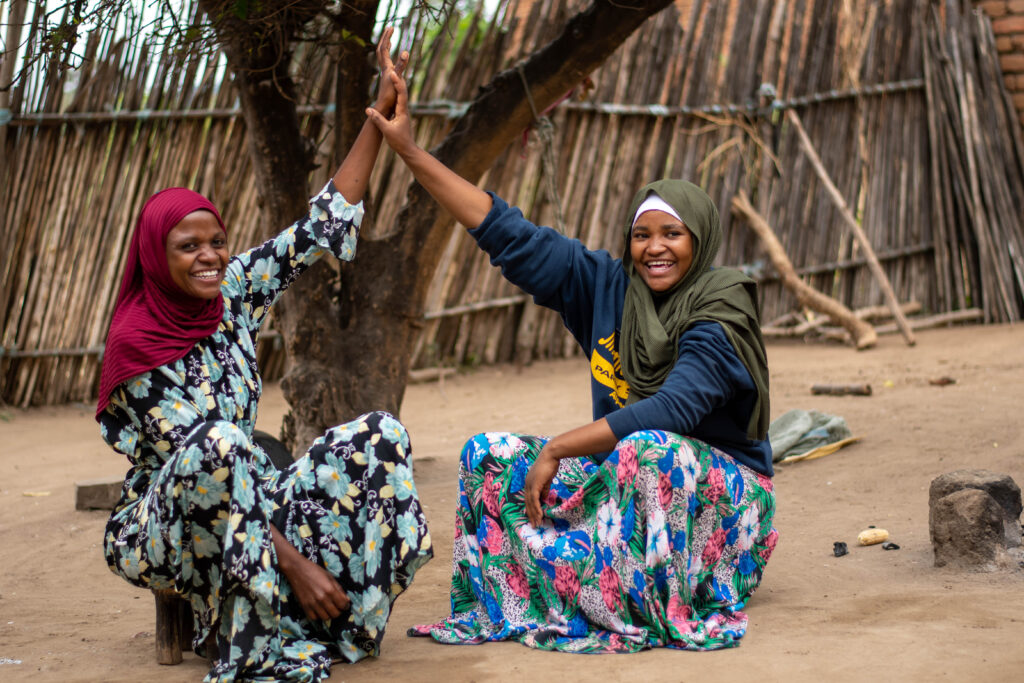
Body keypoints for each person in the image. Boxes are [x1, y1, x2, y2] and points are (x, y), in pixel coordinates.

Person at [365, 67, 777, 652]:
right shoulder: (606, 287)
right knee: (490, 453)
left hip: (722, 506)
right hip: (628, 480)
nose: (654, 248)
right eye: (642, 234)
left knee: (649, 448)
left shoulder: (720, 304)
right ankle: (537, 596)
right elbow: (504, 231)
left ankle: (646, 602)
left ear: (700, 240)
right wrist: (407, 150)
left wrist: (558, 447)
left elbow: (675, 408)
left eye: (672, 234)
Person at [96, 29, 432, 682]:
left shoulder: (232, 295)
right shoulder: (135, 346)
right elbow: (209, 468)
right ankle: (252, 655)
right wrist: (298, 565)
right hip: (165, 526)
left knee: (380, 435)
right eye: (188, 246)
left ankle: (345, 623)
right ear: (155, 256)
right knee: (225, 444)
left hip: (254, 501)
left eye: (216, 241)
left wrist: (378, 109)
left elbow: (319, 224)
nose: (210, 257)